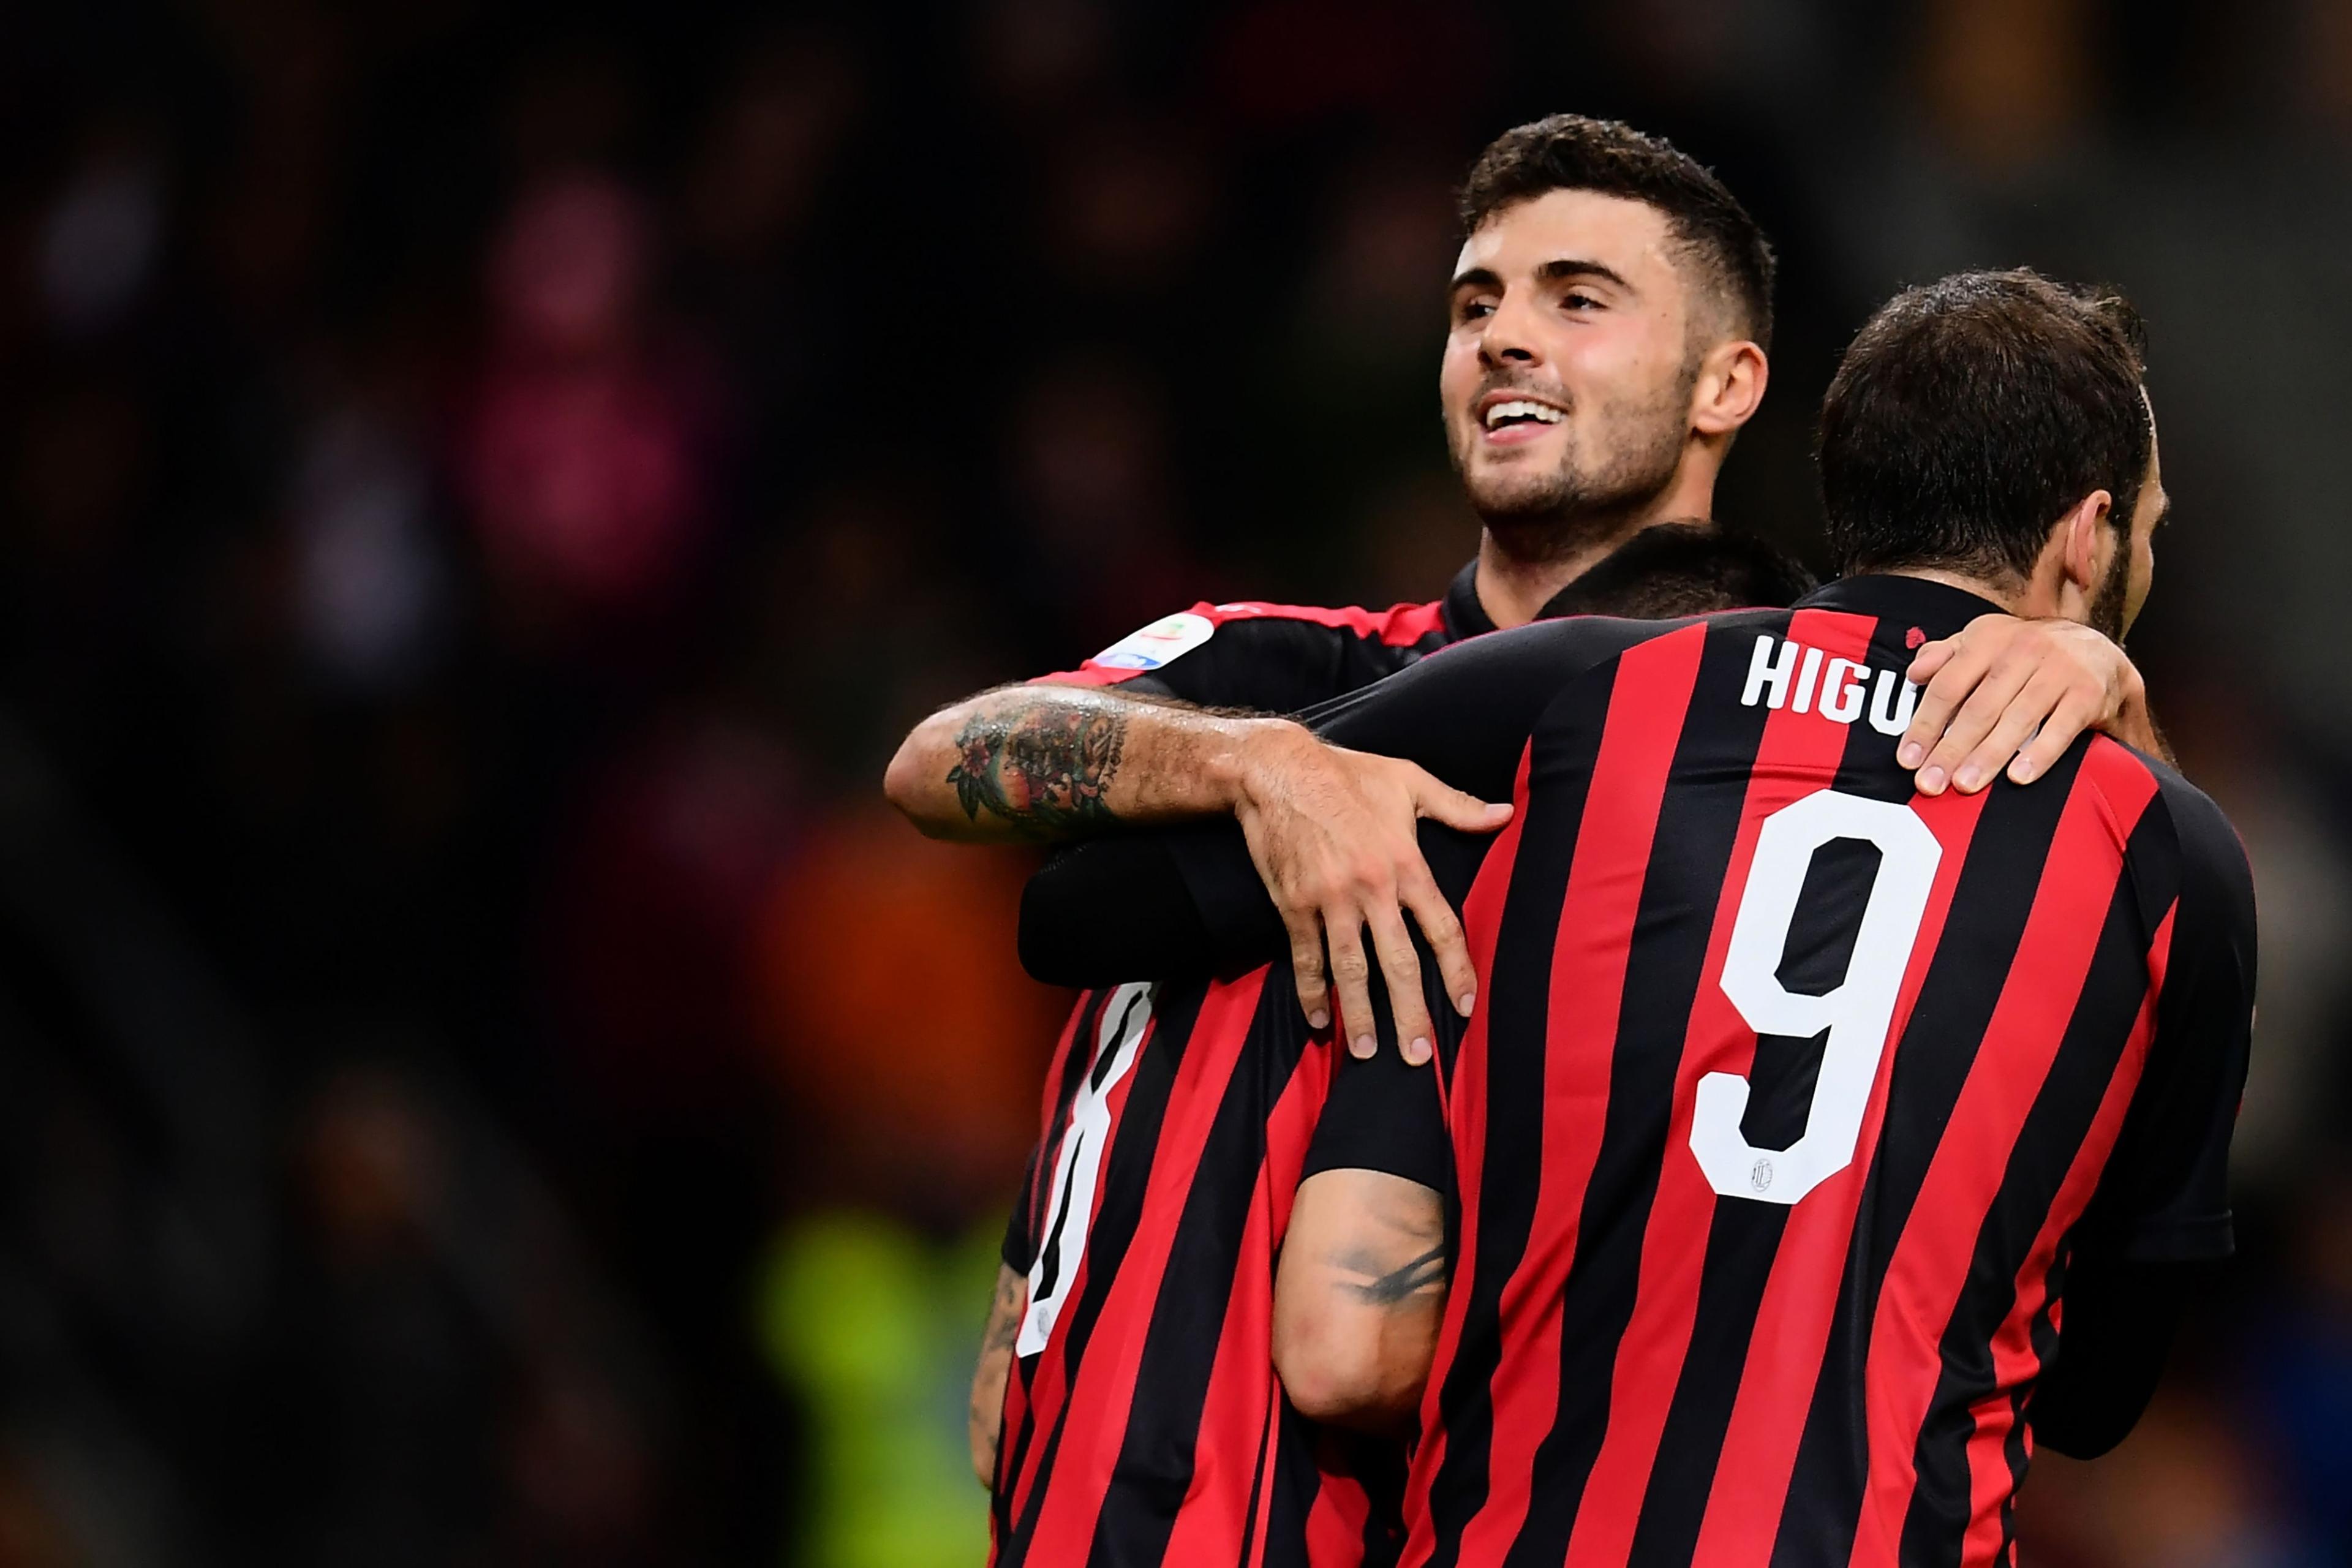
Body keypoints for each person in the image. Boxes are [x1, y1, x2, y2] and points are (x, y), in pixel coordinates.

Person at [885, 117, 2158, 1568]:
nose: (1502, 337)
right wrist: (1266, 771)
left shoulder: (1778, 767)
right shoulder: (1271, 667)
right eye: (1474, 303)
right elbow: (940, 761)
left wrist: (2098, 675)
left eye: (1577, 298)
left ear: (1728, 382)